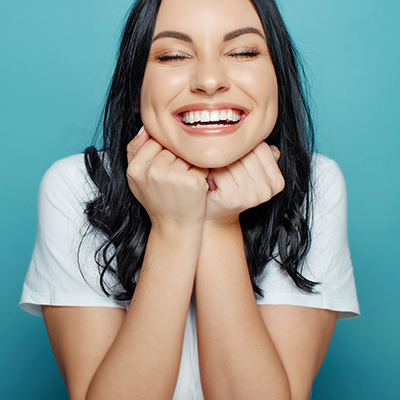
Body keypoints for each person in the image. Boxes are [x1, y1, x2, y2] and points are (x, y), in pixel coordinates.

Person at [19, 0, 360, 399]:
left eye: (244, 52)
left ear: (279, 78)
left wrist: (219, 223)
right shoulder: (78, 186)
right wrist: (174, 229)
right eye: (173, 55)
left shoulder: (314, 184)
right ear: (135, 88)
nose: (210, 80)